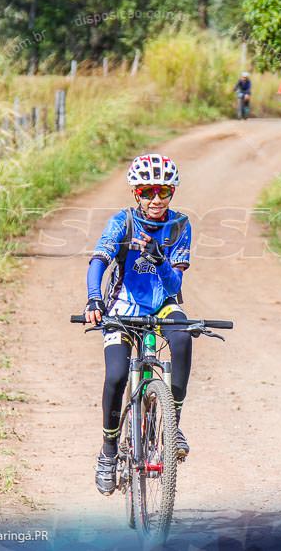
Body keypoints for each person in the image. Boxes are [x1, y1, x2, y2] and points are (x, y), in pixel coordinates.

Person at [84, 153, 193, 496]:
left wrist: (161, 262)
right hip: (122, 306)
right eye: (148, 192)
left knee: (183, 338)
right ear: (136, 194)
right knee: (116, 376)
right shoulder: (123, 221)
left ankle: (172, 424)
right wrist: (93, 299)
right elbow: (99, 261)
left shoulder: (180, 226)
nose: (156, 200)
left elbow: (173, 287)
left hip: (163, 305)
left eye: (163, 192)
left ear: (172, 192)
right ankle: (109, 450)